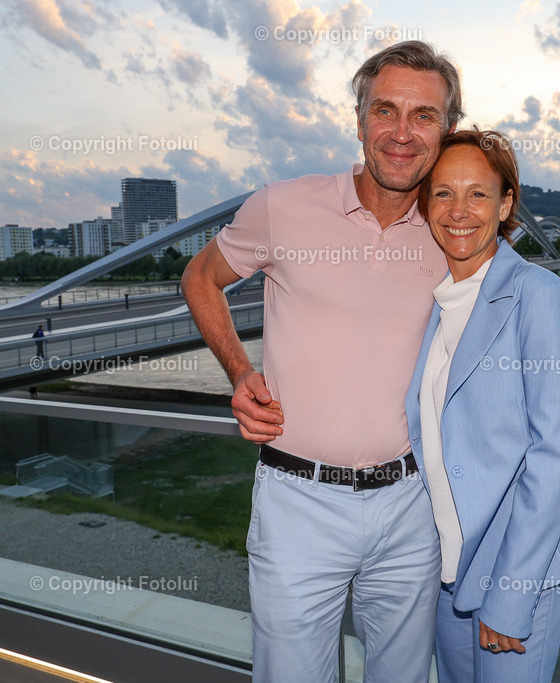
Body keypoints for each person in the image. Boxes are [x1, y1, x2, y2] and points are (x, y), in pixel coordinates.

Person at [181, 41, 460, 683]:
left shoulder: (454, 230)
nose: (401, 133)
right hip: (297, 501)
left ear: (446, 129)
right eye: (385, 110)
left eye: (424, 116)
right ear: (358, 120)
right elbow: (200, 276)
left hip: (412, 504)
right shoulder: (282, 206)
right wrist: (239, 371)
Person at [404, 129, 560, 682]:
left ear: (507, 203)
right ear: (425, 204)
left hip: (517, 576)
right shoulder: (438, 304)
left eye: (478, 194)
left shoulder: (541, 295)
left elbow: (555, 455)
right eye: (442, 193)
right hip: (449, 575)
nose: (459, 210)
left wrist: (510, 594)